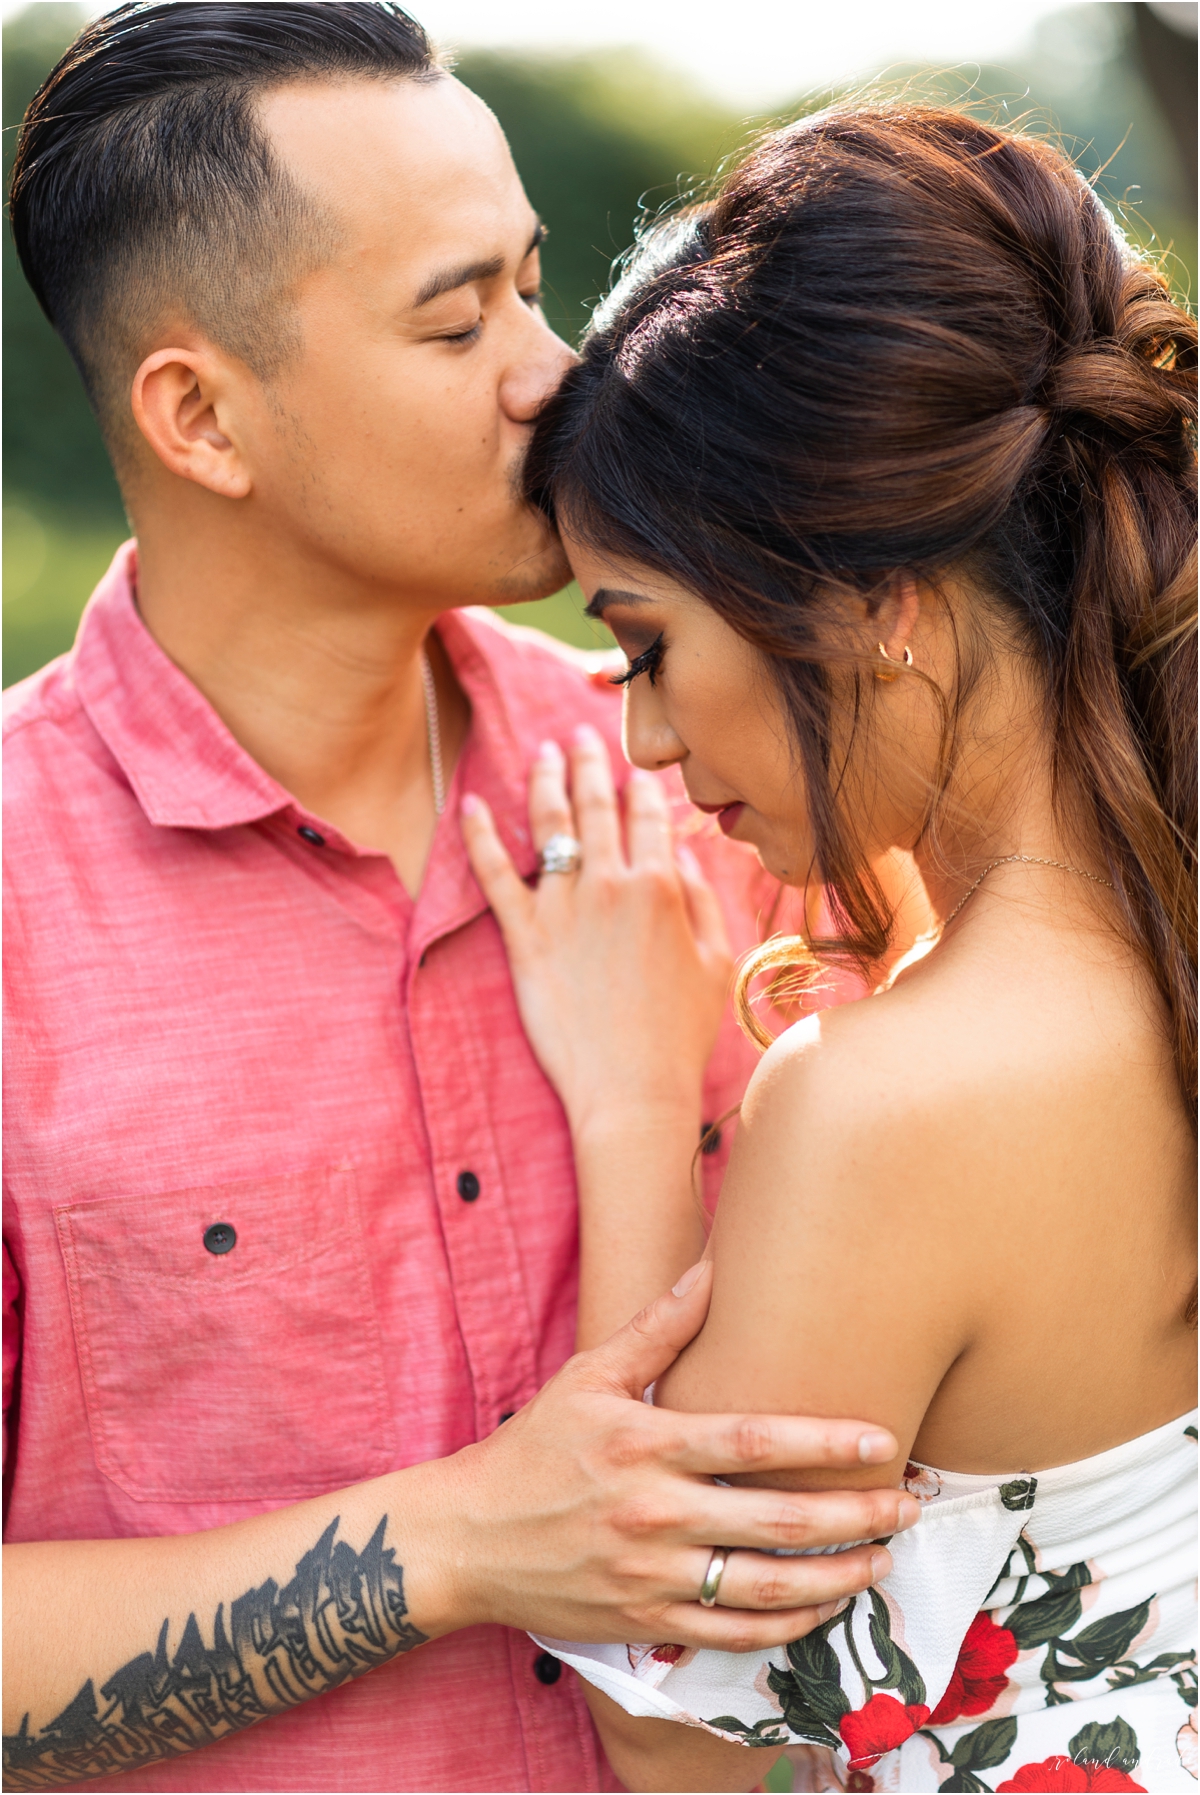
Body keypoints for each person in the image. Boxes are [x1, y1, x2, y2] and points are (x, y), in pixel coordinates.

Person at [1, 9, 921, 1793]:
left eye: (533, 285)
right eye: (457, 318)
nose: (553, 369)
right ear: (199, 415)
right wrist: (460, 1545)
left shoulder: (715, 786)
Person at [462, 106, 1198, 1792]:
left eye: (645, 643)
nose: (638, 739)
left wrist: (641, 1114)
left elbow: (677, 1754)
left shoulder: (887, 1106)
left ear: (872, 605)